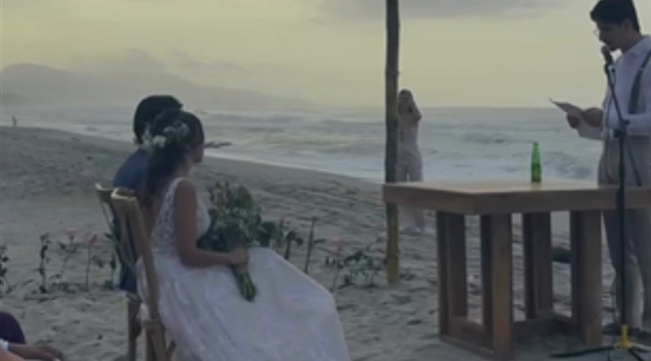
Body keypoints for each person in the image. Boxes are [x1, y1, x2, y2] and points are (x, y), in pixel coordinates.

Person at [137, 108, 350, 360]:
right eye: (202, 139)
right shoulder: (183, 188)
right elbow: (187, 255)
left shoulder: (158, 184)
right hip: (177, 280)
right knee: (268, 273)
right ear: (190, 146)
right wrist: (231, 258)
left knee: (261, 260)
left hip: (157, 273)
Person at [565, 0, 651, 349]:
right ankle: (626, 317)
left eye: (606, 29)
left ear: (628, 25)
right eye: (598, 30)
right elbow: (611, 121)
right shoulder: (620, 64)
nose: (602, 37)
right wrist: (585, 123)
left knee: (646, 246)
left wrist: (609, 119)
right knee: (618, 247)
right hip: (611, 155)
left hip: (640, 158)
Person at [112, 95, 183, 296]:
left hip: (133, 267)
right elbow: (162, 234)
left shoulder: (135, 163)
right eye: (176, 124)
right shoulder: (149, 173)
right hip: (152, 273)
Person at [396, 89, 426, 233]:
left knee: (416, 189)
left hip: (412, 155)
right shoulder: (395, 117)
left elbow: (418, 115)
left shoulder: (413, 116)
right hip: (398, 156)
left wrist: (411, 103)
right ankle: (408, 222)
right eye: (401, 99)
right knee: (400, 191)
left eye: (406, 99)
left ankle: (420, 223)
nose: (403, 101)